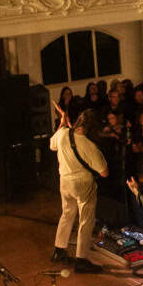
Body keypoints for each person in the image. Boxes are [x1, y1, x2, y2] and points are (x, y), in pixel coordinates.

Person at [50, 102, 108, 272]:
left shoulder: (62, 133)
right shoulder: (89, 145)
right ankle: (81, 260)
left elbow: (52, 145)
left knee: (67, 214)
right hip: (82, 184)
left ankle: (59, 251)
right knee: (86, 220)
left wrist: (62, 123)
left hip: (64, 181)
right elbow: (104, 172)